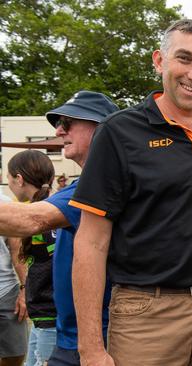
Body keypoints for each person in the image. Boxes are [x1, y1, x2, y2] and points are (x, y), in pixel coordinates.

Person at [70, 19, 192, 366]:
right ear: (159, 61)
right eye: (184, 58)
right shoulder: (118, 132)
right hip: (145, 314)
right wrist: (90, 348)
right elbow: (90, 242)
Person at [0, 90, 118, 366]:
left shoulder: (100, 185)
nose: (59, 130)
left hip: (90, 338)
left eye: (68, 122)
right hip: (68, 331)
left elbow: (27, 221)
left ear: (102, 129)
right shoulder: (86, 183)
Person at [6, 150, 58, 366]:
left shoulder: (45, 217)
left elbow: (54, 265)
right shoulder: (41, 210)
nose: (7, 183)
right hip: (40, 317)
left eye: (8, 178)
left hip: (51, 317)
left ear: (19, 179)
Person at [0, 199, 27, 366]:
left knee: (16, 355)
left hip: (6, 291)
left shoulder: (6, 203)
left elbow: (18, 252)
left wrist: (25, 290)